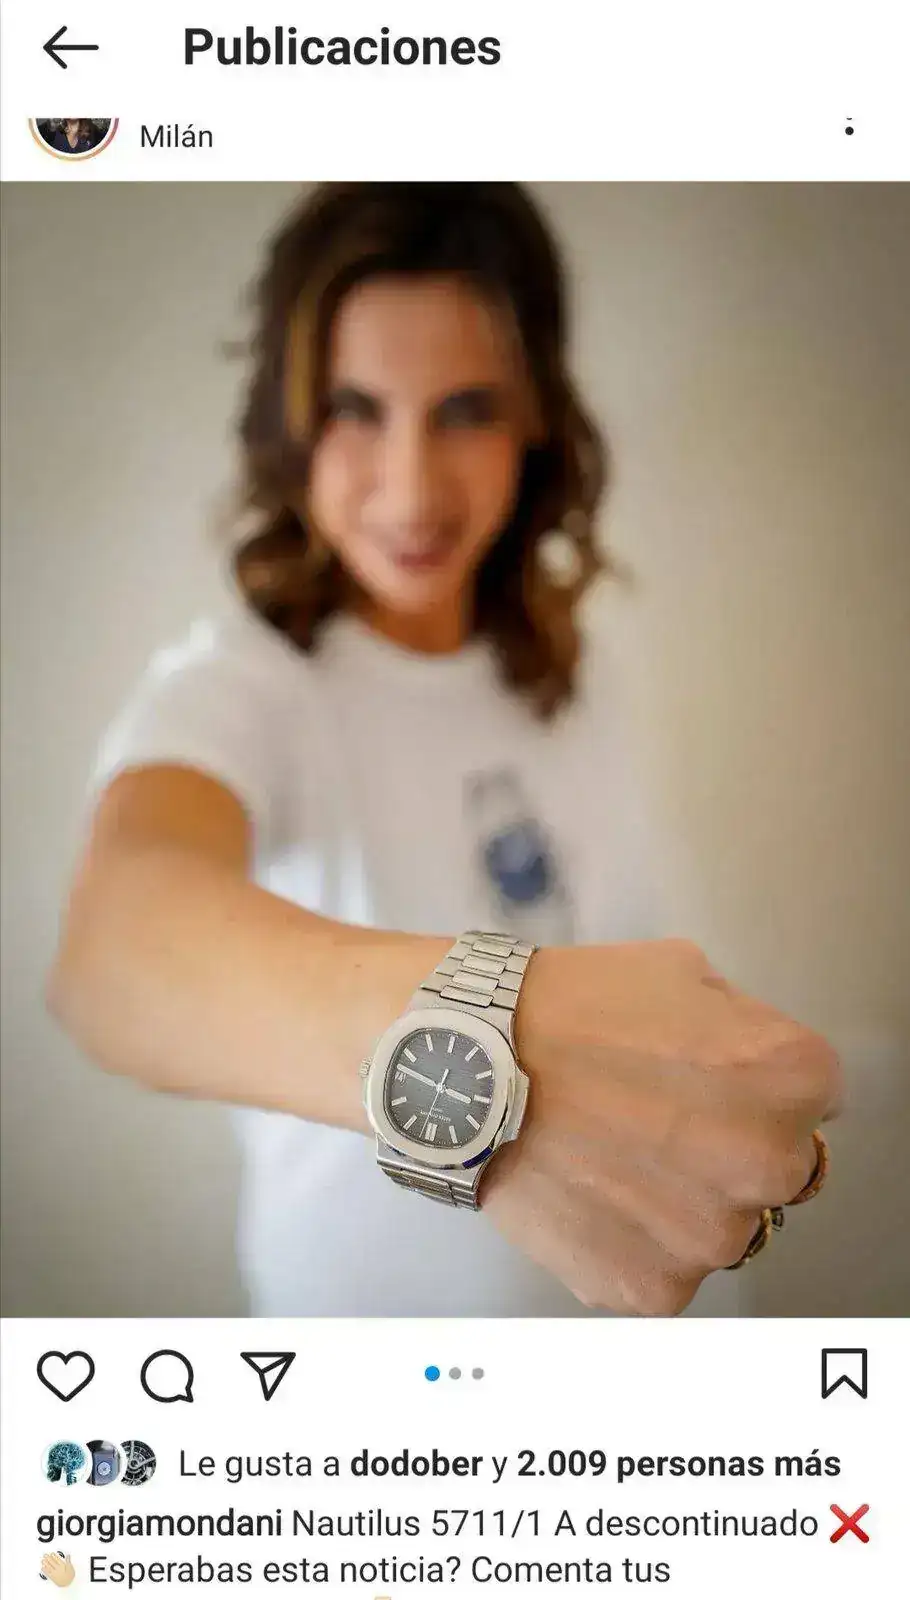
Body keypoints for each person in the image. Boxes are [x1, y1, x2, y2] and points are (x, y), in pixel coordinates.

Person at [48, 182, 841, 1317]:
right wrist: (493, 1038)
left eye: (466, 409)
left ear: (536, 420)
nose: (412, 486)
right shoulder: (242, 688)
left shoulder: (580, 670)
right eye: (355, 409)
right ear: (288, 425)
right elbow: (114, 954)